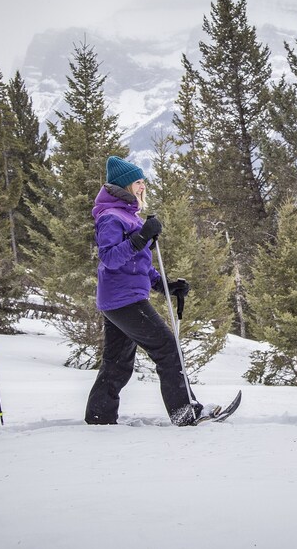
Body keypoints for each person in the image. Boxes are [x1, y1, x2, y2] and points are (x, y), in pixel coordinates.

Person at [85, 155, 215, 426]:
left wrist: (164, 284)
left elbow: (135, 264)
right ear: (124, 186)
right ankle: (185, 413)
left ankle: (99, 417)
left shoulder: (129, 216)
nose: (142, 186)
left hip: (119, 299)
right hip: (124, 300)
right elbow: (109, 258)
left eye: (143, 181)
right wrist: (142, 237)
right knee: (168, 350)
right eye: (138, 182)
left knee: (117, 362)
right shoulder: (111, 217)